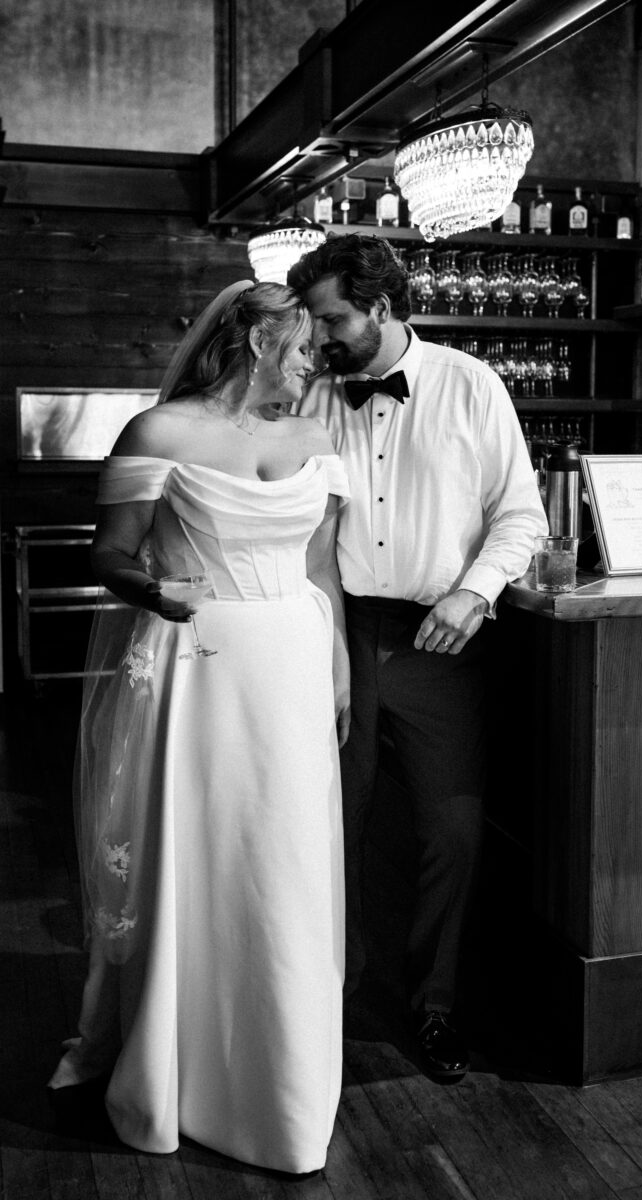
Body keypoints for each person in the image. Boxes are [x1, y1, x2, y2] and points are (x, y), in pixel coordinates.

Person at [48, 280, 350, 1175]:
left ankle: (286, 1076)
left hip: (295, 665)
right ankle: (184, 1070)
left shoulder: (312, 437)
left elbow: (322, 570)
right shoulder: (161, 434)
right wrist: (153, 589)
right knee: (208, 857)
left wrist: (336, 671)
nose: (311, 365)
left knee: (288, 863)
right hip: (204, 665)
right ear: (256, 340)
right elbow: (109, 552)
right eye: (301, 348)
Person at [287, 234, 547, 1082]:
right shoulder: (316, 396)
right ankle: (328, 996)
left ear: (382, 310)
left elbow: (522, 515)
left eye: (332, 319)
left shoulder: (473, 386)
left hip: (444, 642)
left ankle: (433, 1006)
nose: (319, 337)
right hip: (342, 635)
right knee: (333, 827)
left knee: (452, 831)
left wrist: (474, 592)